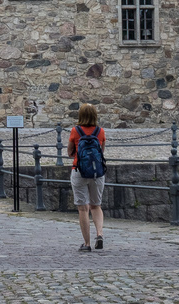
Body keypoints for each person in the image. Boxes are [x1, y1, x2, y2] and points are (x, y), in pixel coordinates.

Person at [68, 102, 107, 252]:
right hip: (97, 172)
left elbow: (70, 152)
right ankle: (100, 234)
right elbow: (101, 152)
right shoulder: (100, 131)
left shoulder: (75, 131)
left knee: (83, 208)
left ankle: (87, 244)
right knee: (96, 205)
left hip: (79, 170)